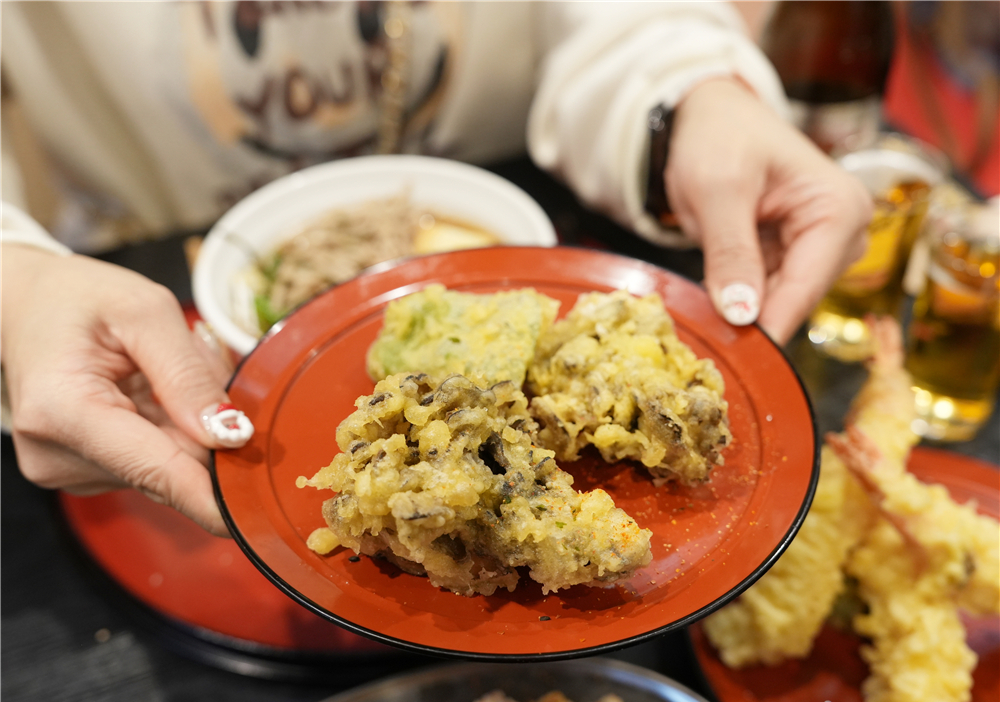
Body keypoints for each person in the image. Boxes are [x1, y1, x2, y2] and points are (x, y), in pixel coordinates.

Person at [1, 1, 871, 536]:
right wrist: (15, 278)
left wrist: (686, 92)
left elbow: (628, 15)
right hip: (130, 287)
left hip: (535, 187)